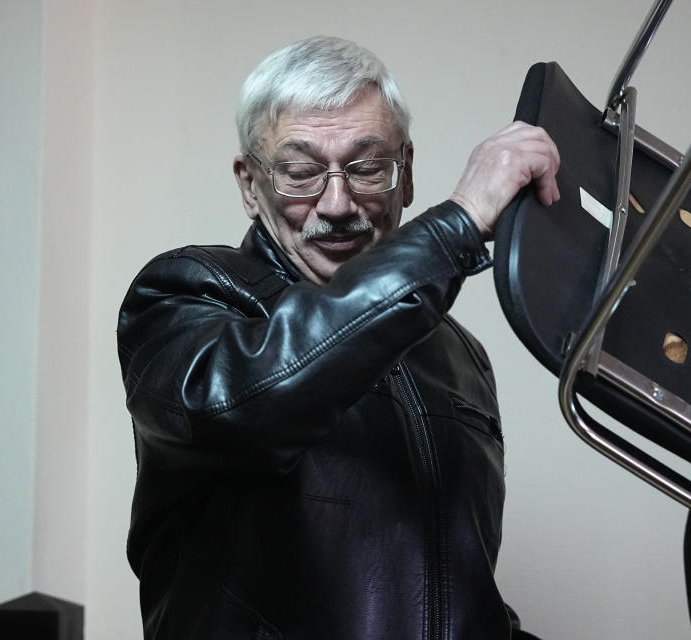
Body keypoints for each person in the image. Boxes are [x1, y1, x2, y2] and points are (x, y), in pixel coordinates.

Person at [117, 35, 559, 640]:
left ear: (405, 176)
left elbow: (459, 595)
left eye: (368, 167)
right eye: (299, 172)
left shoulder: (460, 356)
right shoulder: (187, 293)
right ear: (250, 185)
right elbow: (240, 408)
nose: (338, 201)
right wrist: (457, 223)